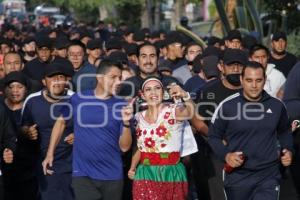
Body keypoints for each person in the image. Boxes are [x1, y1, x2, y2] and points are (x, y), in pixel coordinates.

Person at [42, 60, 133, 200]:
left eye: (120, 77)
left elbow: (125, 147)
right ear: (99, 78)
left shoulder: (122, 105)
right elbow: (61, 122)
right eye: (113, 77)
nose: (118, 81)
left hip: (112, 175)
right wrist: (50, 153)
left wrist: (126, 123)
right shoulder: (79, 98)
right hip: (83, 174)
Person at [208, 61, 293, 200]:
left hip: (268, 176)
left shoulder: (277, 106)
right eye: (249, 80)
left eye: (258, 80)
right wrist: (226, 155)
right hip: (238, 177)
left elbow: (285, 132)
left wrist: (289, 150)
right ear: (241, 80)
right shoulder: (227, 106)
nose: (254, 86)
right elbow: (213, 136)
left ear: (264, 80)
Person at [128, 76, 194, 200]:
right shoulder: (137, 117)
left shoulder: (174, 111)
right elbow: (138, 146)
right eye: (148, 90)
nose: (153, 93)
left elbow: (190, 113)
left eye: (157, 88)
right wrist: (132, 167)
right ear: (142, 95)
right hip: (145, 173)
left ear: (163, 93)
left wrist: (185, 95)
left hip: (171, 172)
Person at [21, 63, 74, 200]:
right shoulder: (32, 101)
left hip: (72, 165)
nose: (56, 81)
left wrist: (78, 135)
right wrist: (27, 131)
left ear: (66, 81)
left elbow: (88, 128)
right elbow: (23, 126)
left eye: (60, 77)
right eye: (51, 78)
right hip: (45, 165)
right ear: (44, 81)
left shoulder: (75, 99)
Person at [2, 71, 39, 200]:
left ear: (26, 89)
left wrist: (31, 133)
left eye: (20, 87)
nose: (15, 91)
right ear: (4, 89)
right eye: (11, 87)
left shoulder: (32, 107)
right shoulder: (1, 108)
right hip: (4, 169)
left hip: (28, 170)